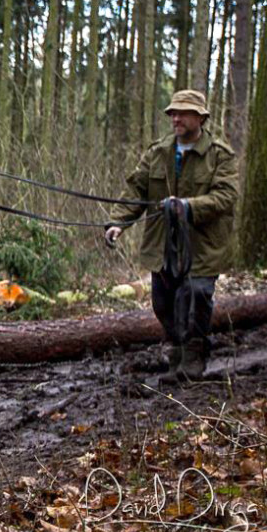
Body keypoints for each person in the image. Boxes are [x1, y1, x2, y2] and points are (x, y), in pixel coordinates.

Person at [105, 89, 239, 384]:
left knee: (196, 295)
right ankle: (177, 353)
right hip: (163, 243)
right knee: (162, 302)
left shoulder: (220, 155)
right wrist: (118, 222)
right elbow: (136, 190)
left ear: (200, 118)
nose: (175, 118)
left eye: (183, 113)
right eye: (173, 113)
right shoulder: (158, 152)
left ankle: (194, 356)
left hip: (203, 245)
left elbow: (226, 196)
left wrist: (189, 207)